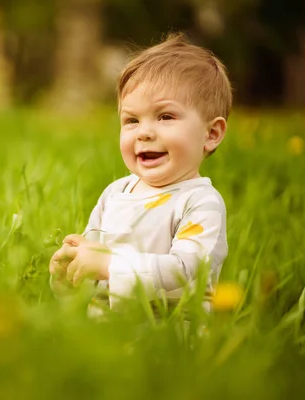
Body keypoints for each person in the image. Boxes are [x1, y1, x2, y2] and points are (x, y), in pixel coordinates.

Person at [49, 32, 231, 318]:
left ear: (211, 133)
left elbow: (185, 269)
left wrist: (108, 264)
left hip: (173, 336)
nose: (145, 132)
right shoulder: (115, 194)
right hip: (108, 336)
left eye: (165, 117)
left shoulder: (200, 202)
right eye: (132, 120)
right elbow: (94, 267)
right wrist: (71, 269)